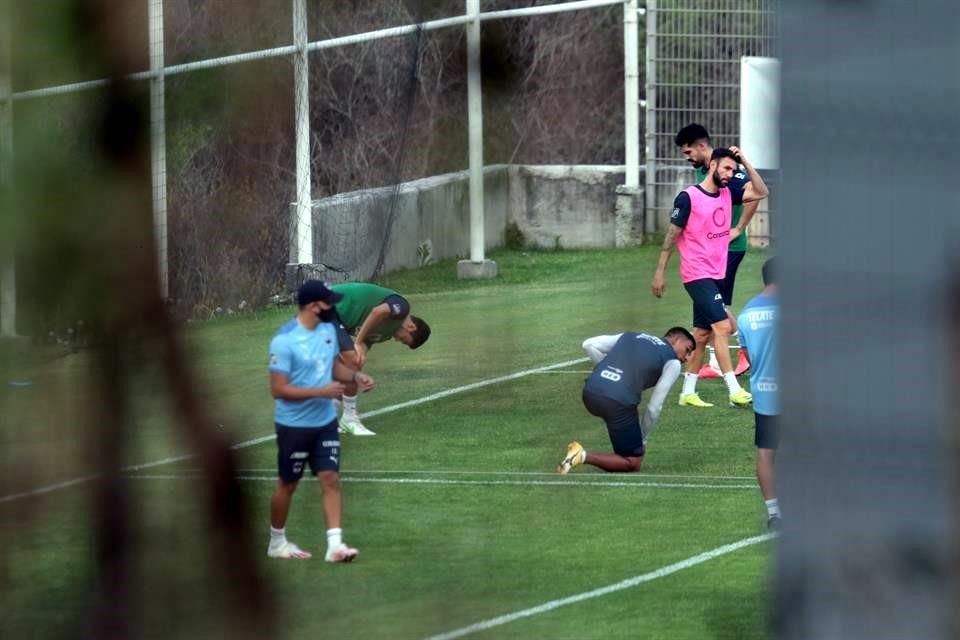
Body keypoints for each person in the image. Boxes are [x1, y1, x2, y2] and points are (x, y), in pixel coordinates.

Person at [651, 147, 768, 408]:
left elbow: (761, 191)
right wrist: (659, 272)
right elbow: (671, 236)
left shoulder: (729, 192)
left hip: (716, 273)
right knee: (722, 326)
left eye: (732, 170)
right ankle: (734, 390)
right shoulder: (688, 198)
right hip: (696, 273)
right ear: (712, 165)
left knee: (701, 335)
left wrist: (744, 161)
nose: (730, 174)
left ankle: (687, 393)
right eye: (726, 168)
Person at [266, 280, 375, 562]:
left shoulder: (327, 331)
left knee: (330, 478)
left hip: (324, 422)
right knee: (288, 485)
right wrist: (321, 391)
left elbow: (330, 365)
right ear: (314, 306)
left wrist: (354, 376)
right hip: (294, 425)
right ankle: (276, 542)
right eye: (329, 302)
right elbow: (278, 389)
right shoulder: (285, 340)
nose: (333, 307)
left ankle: (335, 546)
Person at [675, 124, 759, 378]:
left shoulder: (726, 167)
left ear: (702, 147)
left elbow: (753, 194)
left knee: (717, 309)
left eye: (688, 151)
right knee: (713, 309)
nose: (687, 157)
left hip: (728, 248)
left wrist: (740, 227)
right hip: (708, 252)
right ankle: (714, 361)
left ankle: (741, 352)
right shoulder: (705, 170)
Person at [557, 327, 695, 474]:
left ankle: (622, 441)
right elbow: (654, 407)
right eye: (688, 350)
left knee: (620, 418)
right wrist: (643, 438)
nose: (687, 358)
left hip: (590, 392)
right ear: (677, 341)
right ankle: (580, 455)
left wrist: (605, 370)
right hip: (617, 403)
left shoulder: (631, 335)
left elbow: (589, 344)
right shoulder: (673, 362)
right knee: (633, 462)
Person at [329, 282, 431, 436]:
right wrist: (356, 344)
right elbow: (377, 312)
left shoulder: (387, 334)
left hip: (334, 317)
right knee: (349, 363)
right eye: (405, 340)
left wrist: (360, 356)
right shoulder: (402, 307)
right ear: (411, 327)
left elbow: (366, 342)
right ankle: (349, 419)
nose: (399, 341)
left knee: (350, 365)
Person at [737, 257, 781, 530]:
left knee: (766, 452)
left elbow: (749, 358)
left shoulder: (745, 314)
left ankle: (775, 513)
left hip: (764, 393)